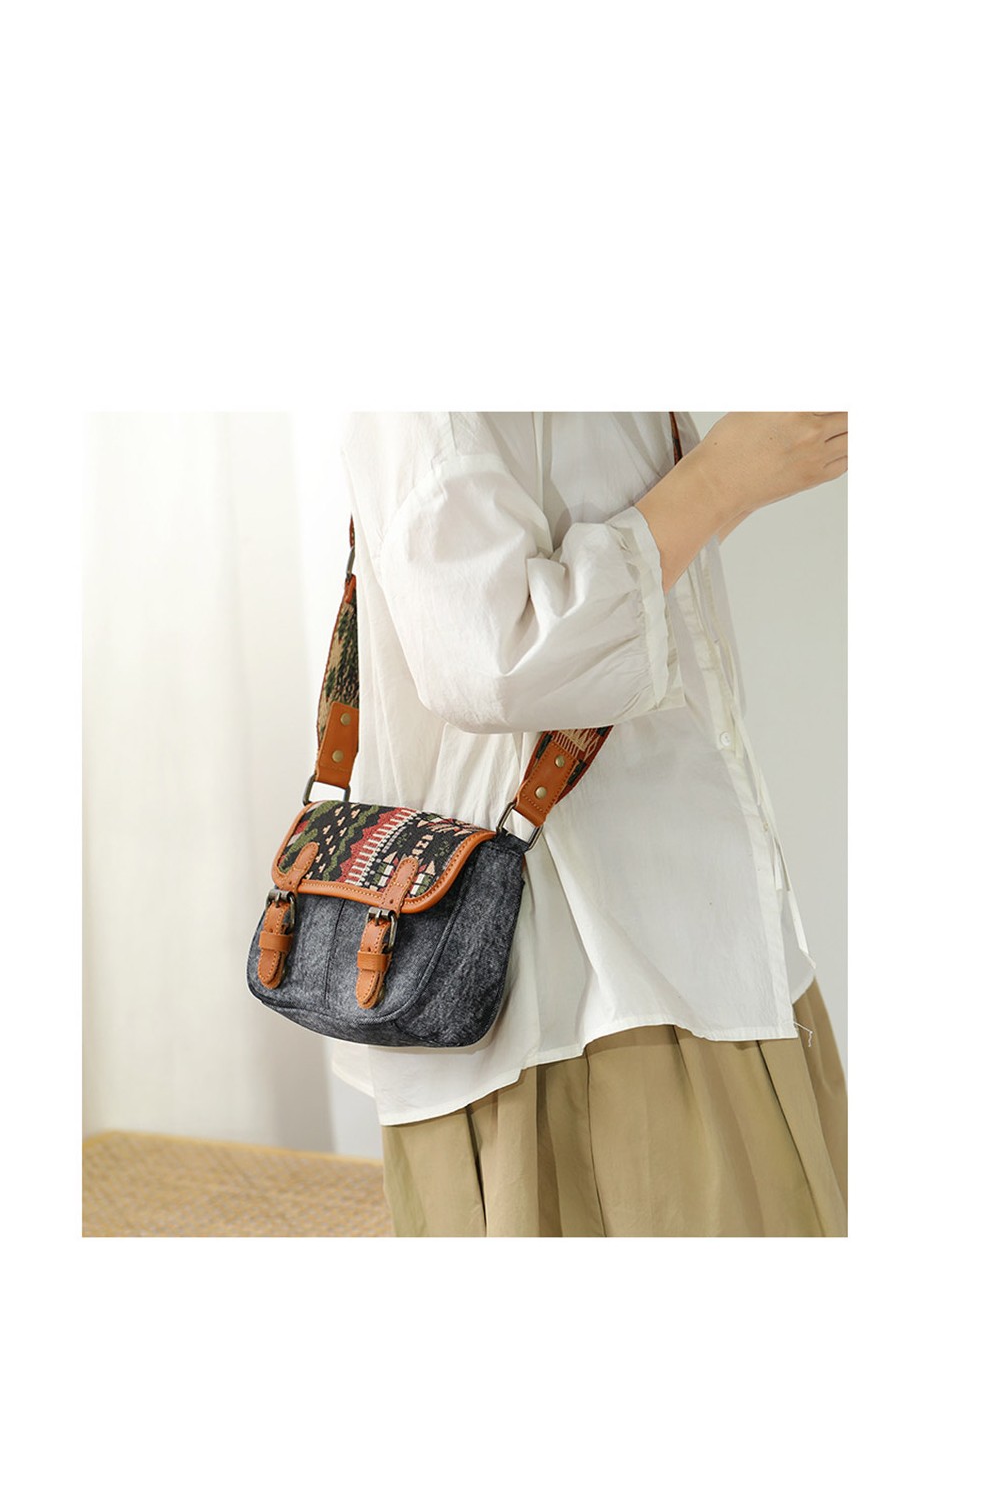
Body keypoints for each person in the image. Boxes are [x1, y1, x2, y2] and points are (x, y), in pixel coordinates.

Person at [334, 412, 848, 1237]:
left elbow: (626, 547)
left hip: (701, 913)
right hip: (561, 975)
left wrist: (741, 477)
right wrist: (720, 477)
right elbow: (489, 656)